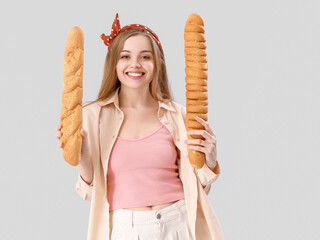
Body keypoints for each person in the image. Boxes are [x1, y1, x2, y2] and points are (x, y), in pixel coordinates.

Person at [56, 13, 224, 240]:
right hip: (125, 229)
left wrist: (210, 159)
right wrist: (84, 158)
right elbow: (90, 192)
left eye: (145, 57)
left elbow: (198, 189)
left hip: (178, 223)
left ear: (157, 63)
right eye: (125, 56)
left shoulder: (177, 115)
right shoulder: (91, 116)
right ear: (114, 63)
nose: (135, 64)